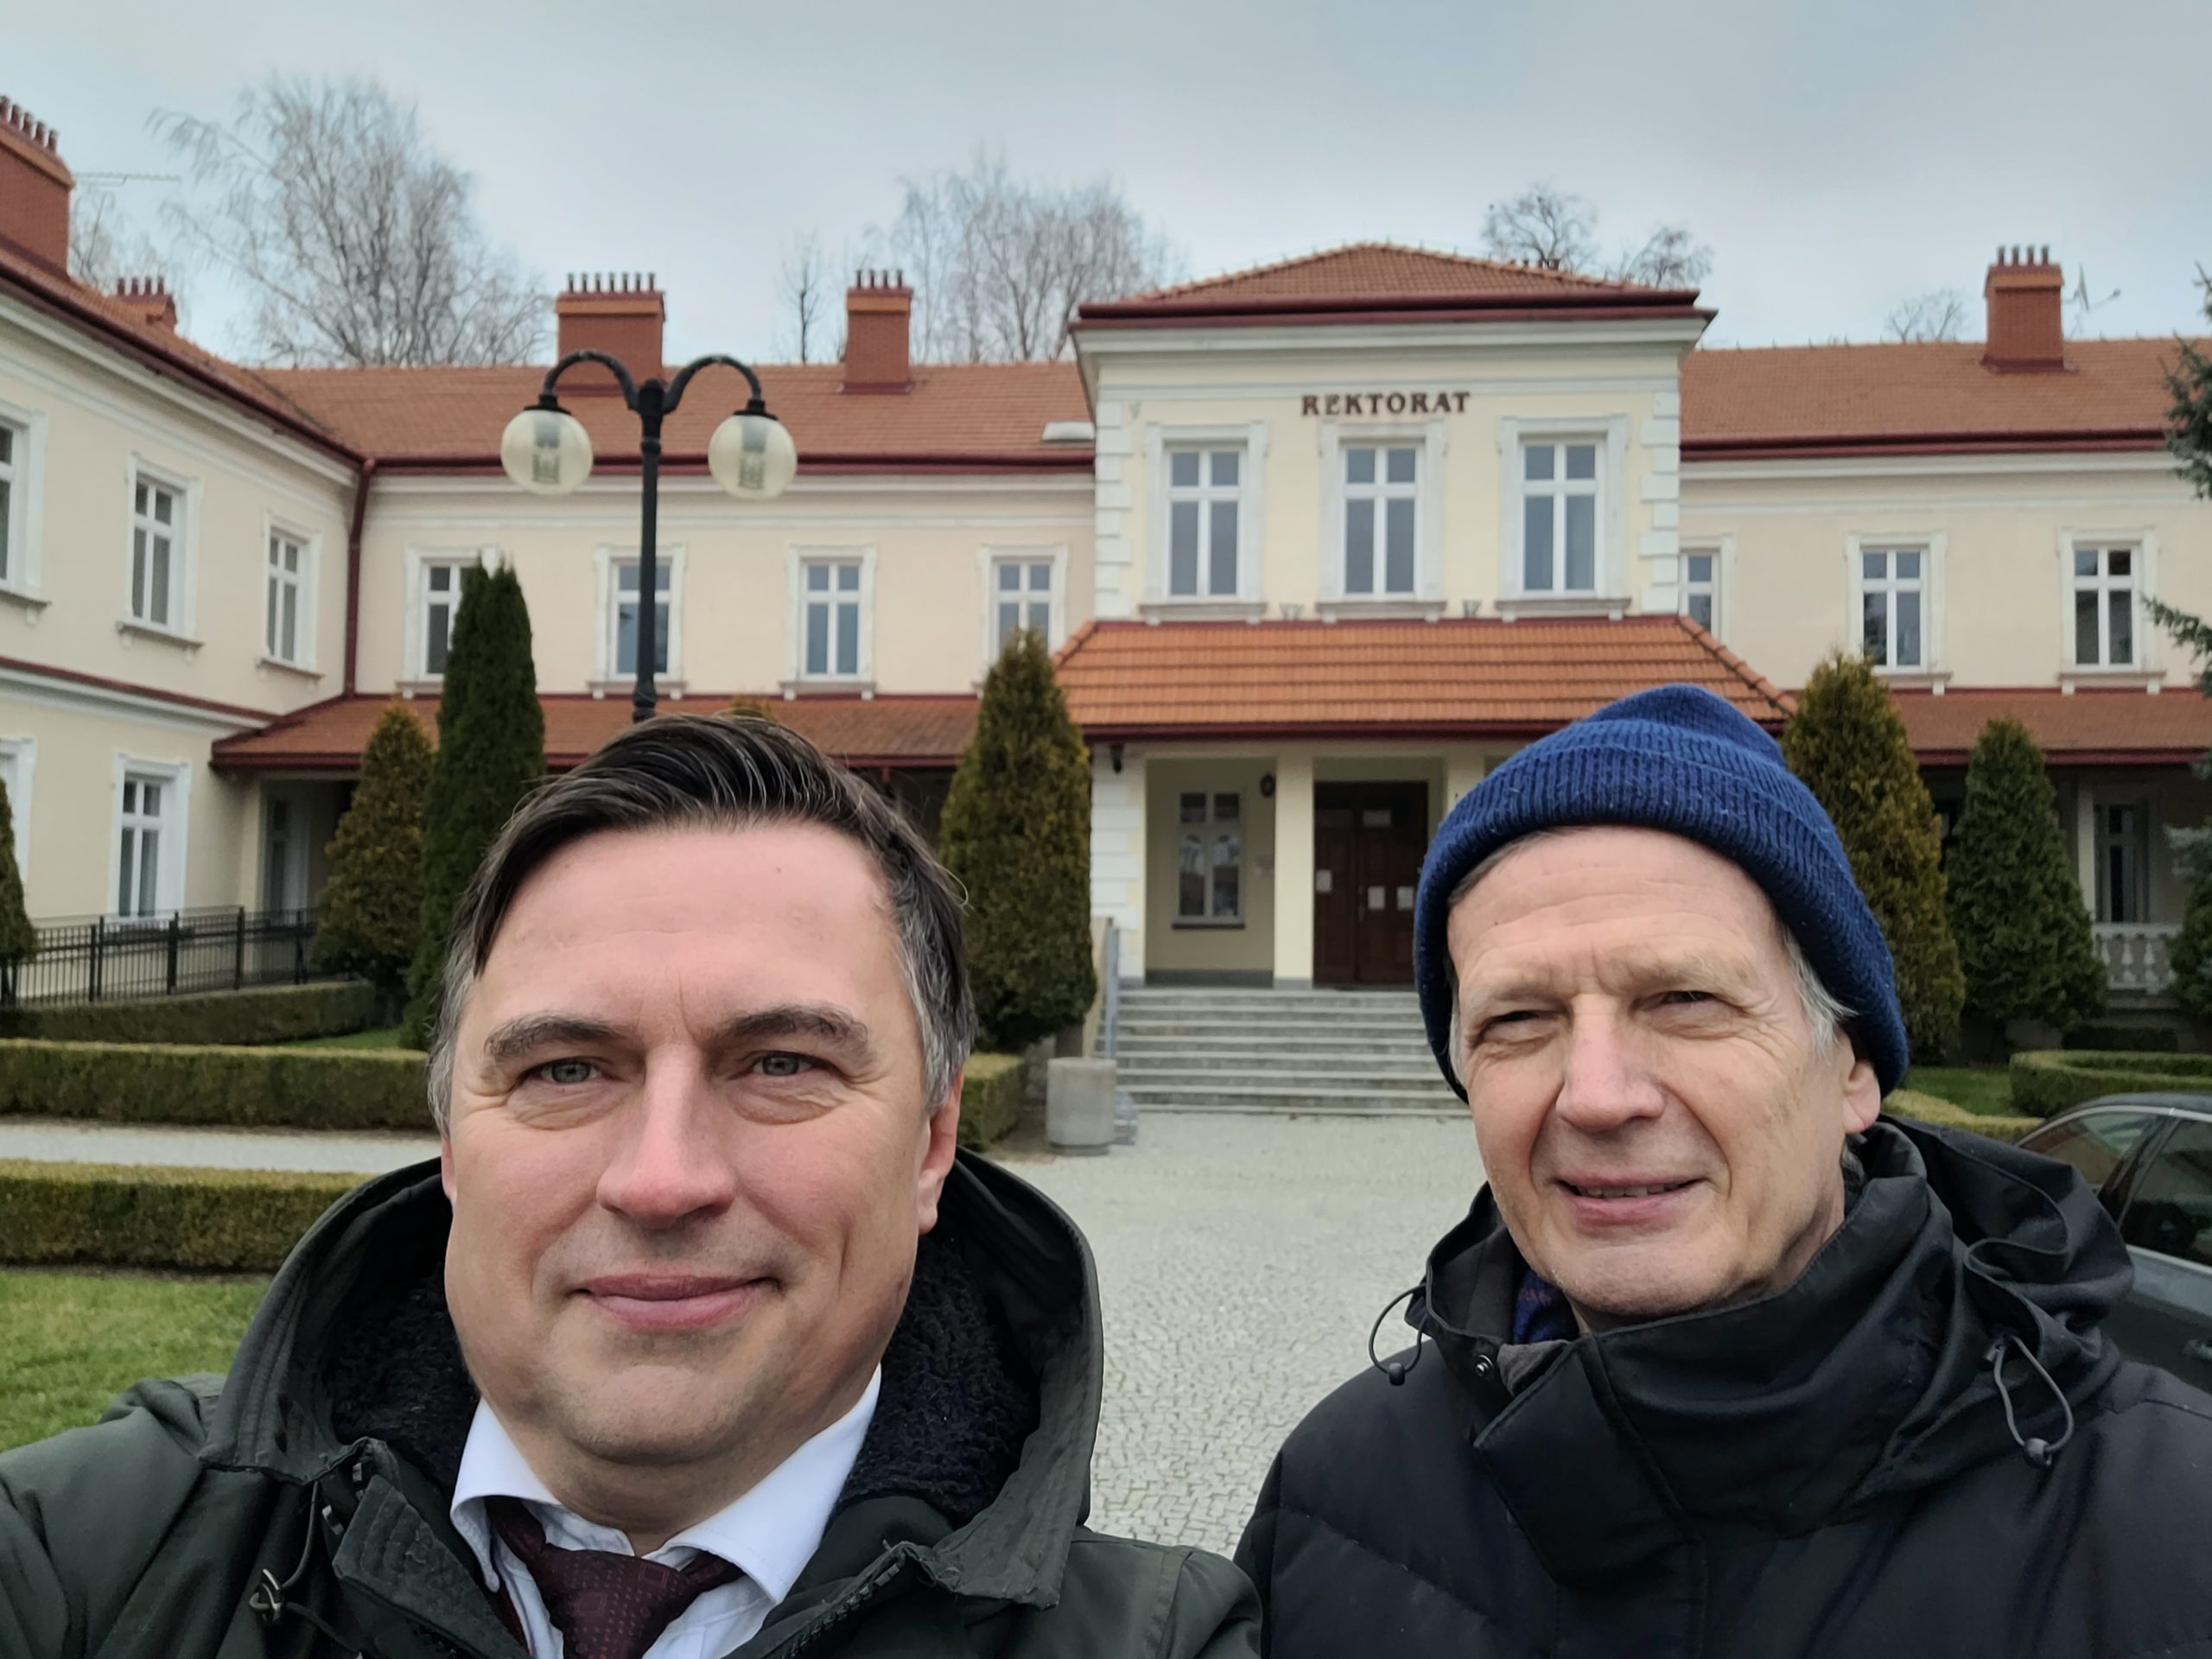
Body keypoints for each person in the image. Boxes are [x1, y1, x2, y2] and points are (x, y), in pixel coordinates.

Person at [0, 715, 1257, 1659]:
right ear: (451, 1143)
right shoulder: (105, 1549)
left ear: (933, 1143)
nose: (661, 1180)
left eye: (781, 1063)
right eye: (563, 1070)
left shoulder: (1161, 1641)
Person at [1237, 684, 2212, 1658]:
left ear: (1853, 1069)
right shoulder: (1333, 1495)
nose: (1596, 1096)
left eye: (1685, 999)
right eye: (1519, 1019)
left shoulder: (2171, 1533)